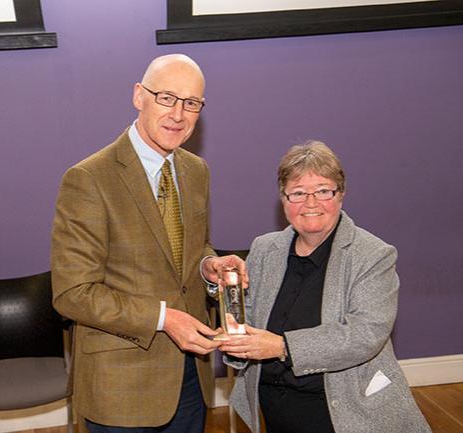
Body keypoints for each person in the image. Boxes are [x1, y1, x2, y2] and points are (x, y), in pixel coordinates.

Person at [50, 54, 246, 433]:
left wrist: (209, 266)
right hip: (121, 384)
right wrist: (163, 318)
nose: (178, 114)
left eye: (191, 103)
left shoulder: (195, 170)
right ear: (139, 96)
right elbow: (72, 293)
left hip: (191, 374)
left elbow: (194, 249)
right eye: (166, 97)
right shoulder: (89, 179)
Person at [220, 141, 432, 433]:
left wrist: (282, 347)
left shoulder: (372, 255)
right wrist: (233, 332)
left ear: (341, 194)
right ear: (283, 199)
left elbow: (364, 334)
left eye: (323, 191)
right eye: (297, 193)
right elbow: (248, 315)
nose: (310, 203)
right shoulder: (265, 248)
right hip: (273, 406)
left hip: (344, 410)